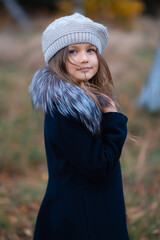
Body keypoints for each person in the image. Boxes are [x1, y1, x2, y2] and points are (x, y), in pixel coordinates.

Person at [29, 13, 129, 240]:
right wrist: (113, 120)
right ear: (57, 59)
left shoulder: (85, 99)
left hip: (89, 210)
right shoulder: (66, 110)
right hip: (81, 220)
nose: (84, 58)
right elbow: (99, 166)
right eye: (73, 51)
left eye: (90, 50)